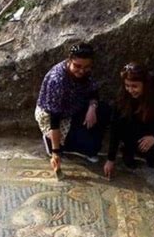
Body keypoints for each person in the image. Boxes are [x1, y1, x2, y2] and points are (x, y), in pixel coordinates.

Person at [35, 43, 109, 174]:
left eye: (86, 67)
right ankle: (52, 141)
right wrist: (55, 152)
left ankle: (77, 140)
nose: (82, 71)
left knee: (103, 110)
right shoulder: (57, 81)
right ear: (69, 61)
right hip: (53, 116)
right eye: (77, 66)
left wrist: (92, 108)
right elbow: (54, 119)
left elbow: (93, 92)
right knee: (91, 147)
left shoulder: (85, 70)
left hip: (73, 107)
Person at [104, 63, 154, 179]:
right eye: (127, 86)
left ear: (145, 84)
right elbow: (115, 127)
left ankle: (151, 152)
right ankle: (128, 150)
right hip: (132, 128)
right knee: (122, 124)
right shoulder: (123, 96)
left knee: (153, 150)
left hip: (153, 128)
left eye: (135, 86)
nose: (130, 90)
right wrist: (110, 159)